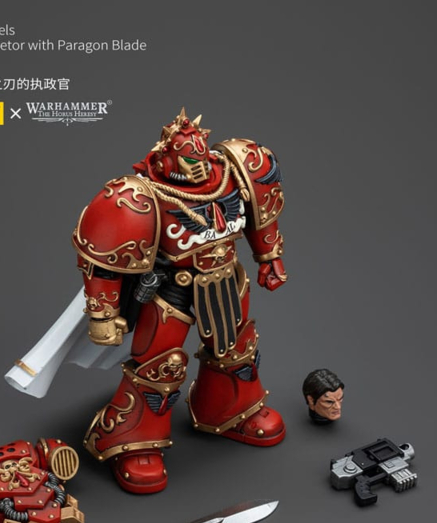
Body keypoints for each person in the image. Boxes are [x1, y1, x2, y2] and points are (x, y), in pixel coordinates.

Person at [73, 109, 288, 493]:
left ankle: (230, 410)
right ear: (168, 159)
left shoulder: (237, 169)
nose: (201, 167)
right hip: (171, 292)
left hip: (227, 280)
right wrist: (103, 314)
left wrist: (269, 257)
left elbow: (262, 214)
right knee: (160, 366)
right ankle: (132, 439)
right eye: (191, 161)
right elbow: (104, 259)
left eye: (203, 158)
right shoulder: (138, 195)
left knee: (236, 347)